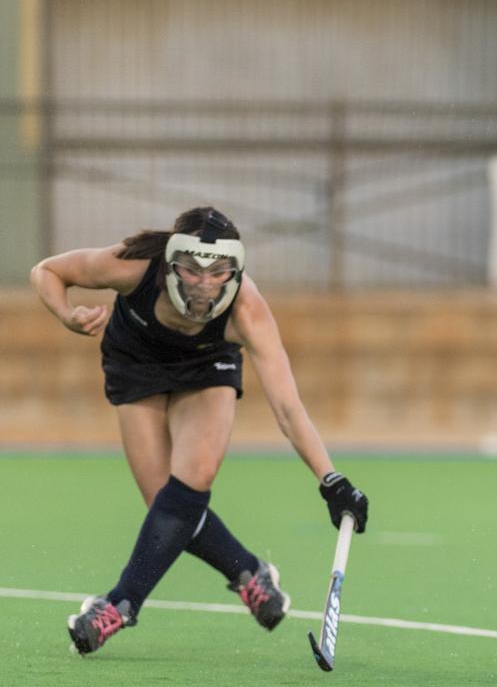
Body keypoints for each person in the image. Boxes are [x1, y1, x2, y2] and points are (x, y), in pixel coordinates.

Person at [29, 206, 371, 655]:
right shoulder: (132, 267)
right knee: (165, 509)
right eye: (191, 270)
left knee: (192, 484)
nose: (205, 283)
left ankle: (120, 604)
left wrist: (331, 480)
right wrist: (65, 313)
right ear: (171, 265)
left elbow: (288, 407)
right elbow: (47, 271)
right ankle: (249, 571)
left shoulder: (247, 309)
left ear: (235, 270)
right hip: (135, 365)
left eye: (219, 272)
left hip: (206, 367)